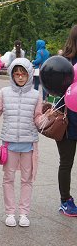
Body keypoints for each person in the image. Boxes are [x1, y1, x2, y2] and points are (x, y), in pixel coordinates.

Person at [0, 58, 43, 227]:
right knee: (8, 179)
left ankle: (24, 213)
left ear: (29, 75)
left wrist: (48, 119)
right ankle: (10, 213)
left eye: (23, 74)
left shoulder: (36, 95)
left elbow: (38, 119)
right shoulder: (4, 92)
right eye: (16, 74)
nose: (20, 77)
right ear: (12, 75)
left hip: (29, 145)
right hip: (9, 144)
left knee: (27, 180)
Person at [56, 24, 77, 217]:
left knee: (66, 162)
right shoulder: (64, 62)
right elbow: (53, 88)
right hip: (67, 120)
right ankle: (65, 201)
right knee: (66, 162)